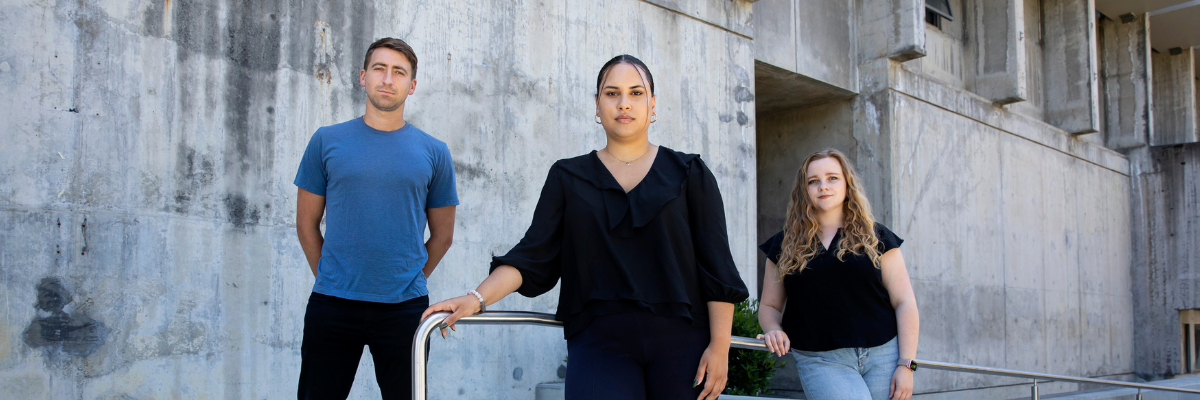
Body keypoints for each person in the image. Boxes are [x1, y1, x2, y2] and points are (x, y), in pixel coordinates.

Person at [422, 55, 748, 400]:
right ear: (597, 105)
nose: (624, 103)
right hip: (599, 345)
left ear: (653, 105)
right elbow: (532, 257)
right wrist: (476, 298)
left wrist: (720, 346)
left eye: (636, 93)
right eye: (612, 93)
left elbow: (716, 267)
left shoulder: (690, 173)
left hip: (684, 344)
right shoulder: (568, 177)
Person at [293, 37, 458, 400]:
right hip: (333, 304)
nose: (388, 79)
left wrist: (405, 279)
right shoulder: (326, 141)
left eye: (399, 72)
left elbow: (443, 236)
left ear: (411, 85)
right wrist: (331, 276)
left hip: (405, 308)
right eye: (380, 69)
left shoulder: (434, 152)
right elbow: (306, 223)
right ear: (363, 76)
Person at [756, 149, 919, 400]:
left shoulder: (876, 237)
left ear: (847, 184)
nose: (823, 186)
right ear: (804, 190)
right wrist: (773, 329)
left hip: (884, 356)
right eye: (814, 181)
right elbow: (769, 305)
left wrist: (906, 365)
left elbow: (904, 301)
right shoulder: (784, 244)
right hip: (822, 360)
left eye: (833, 178)